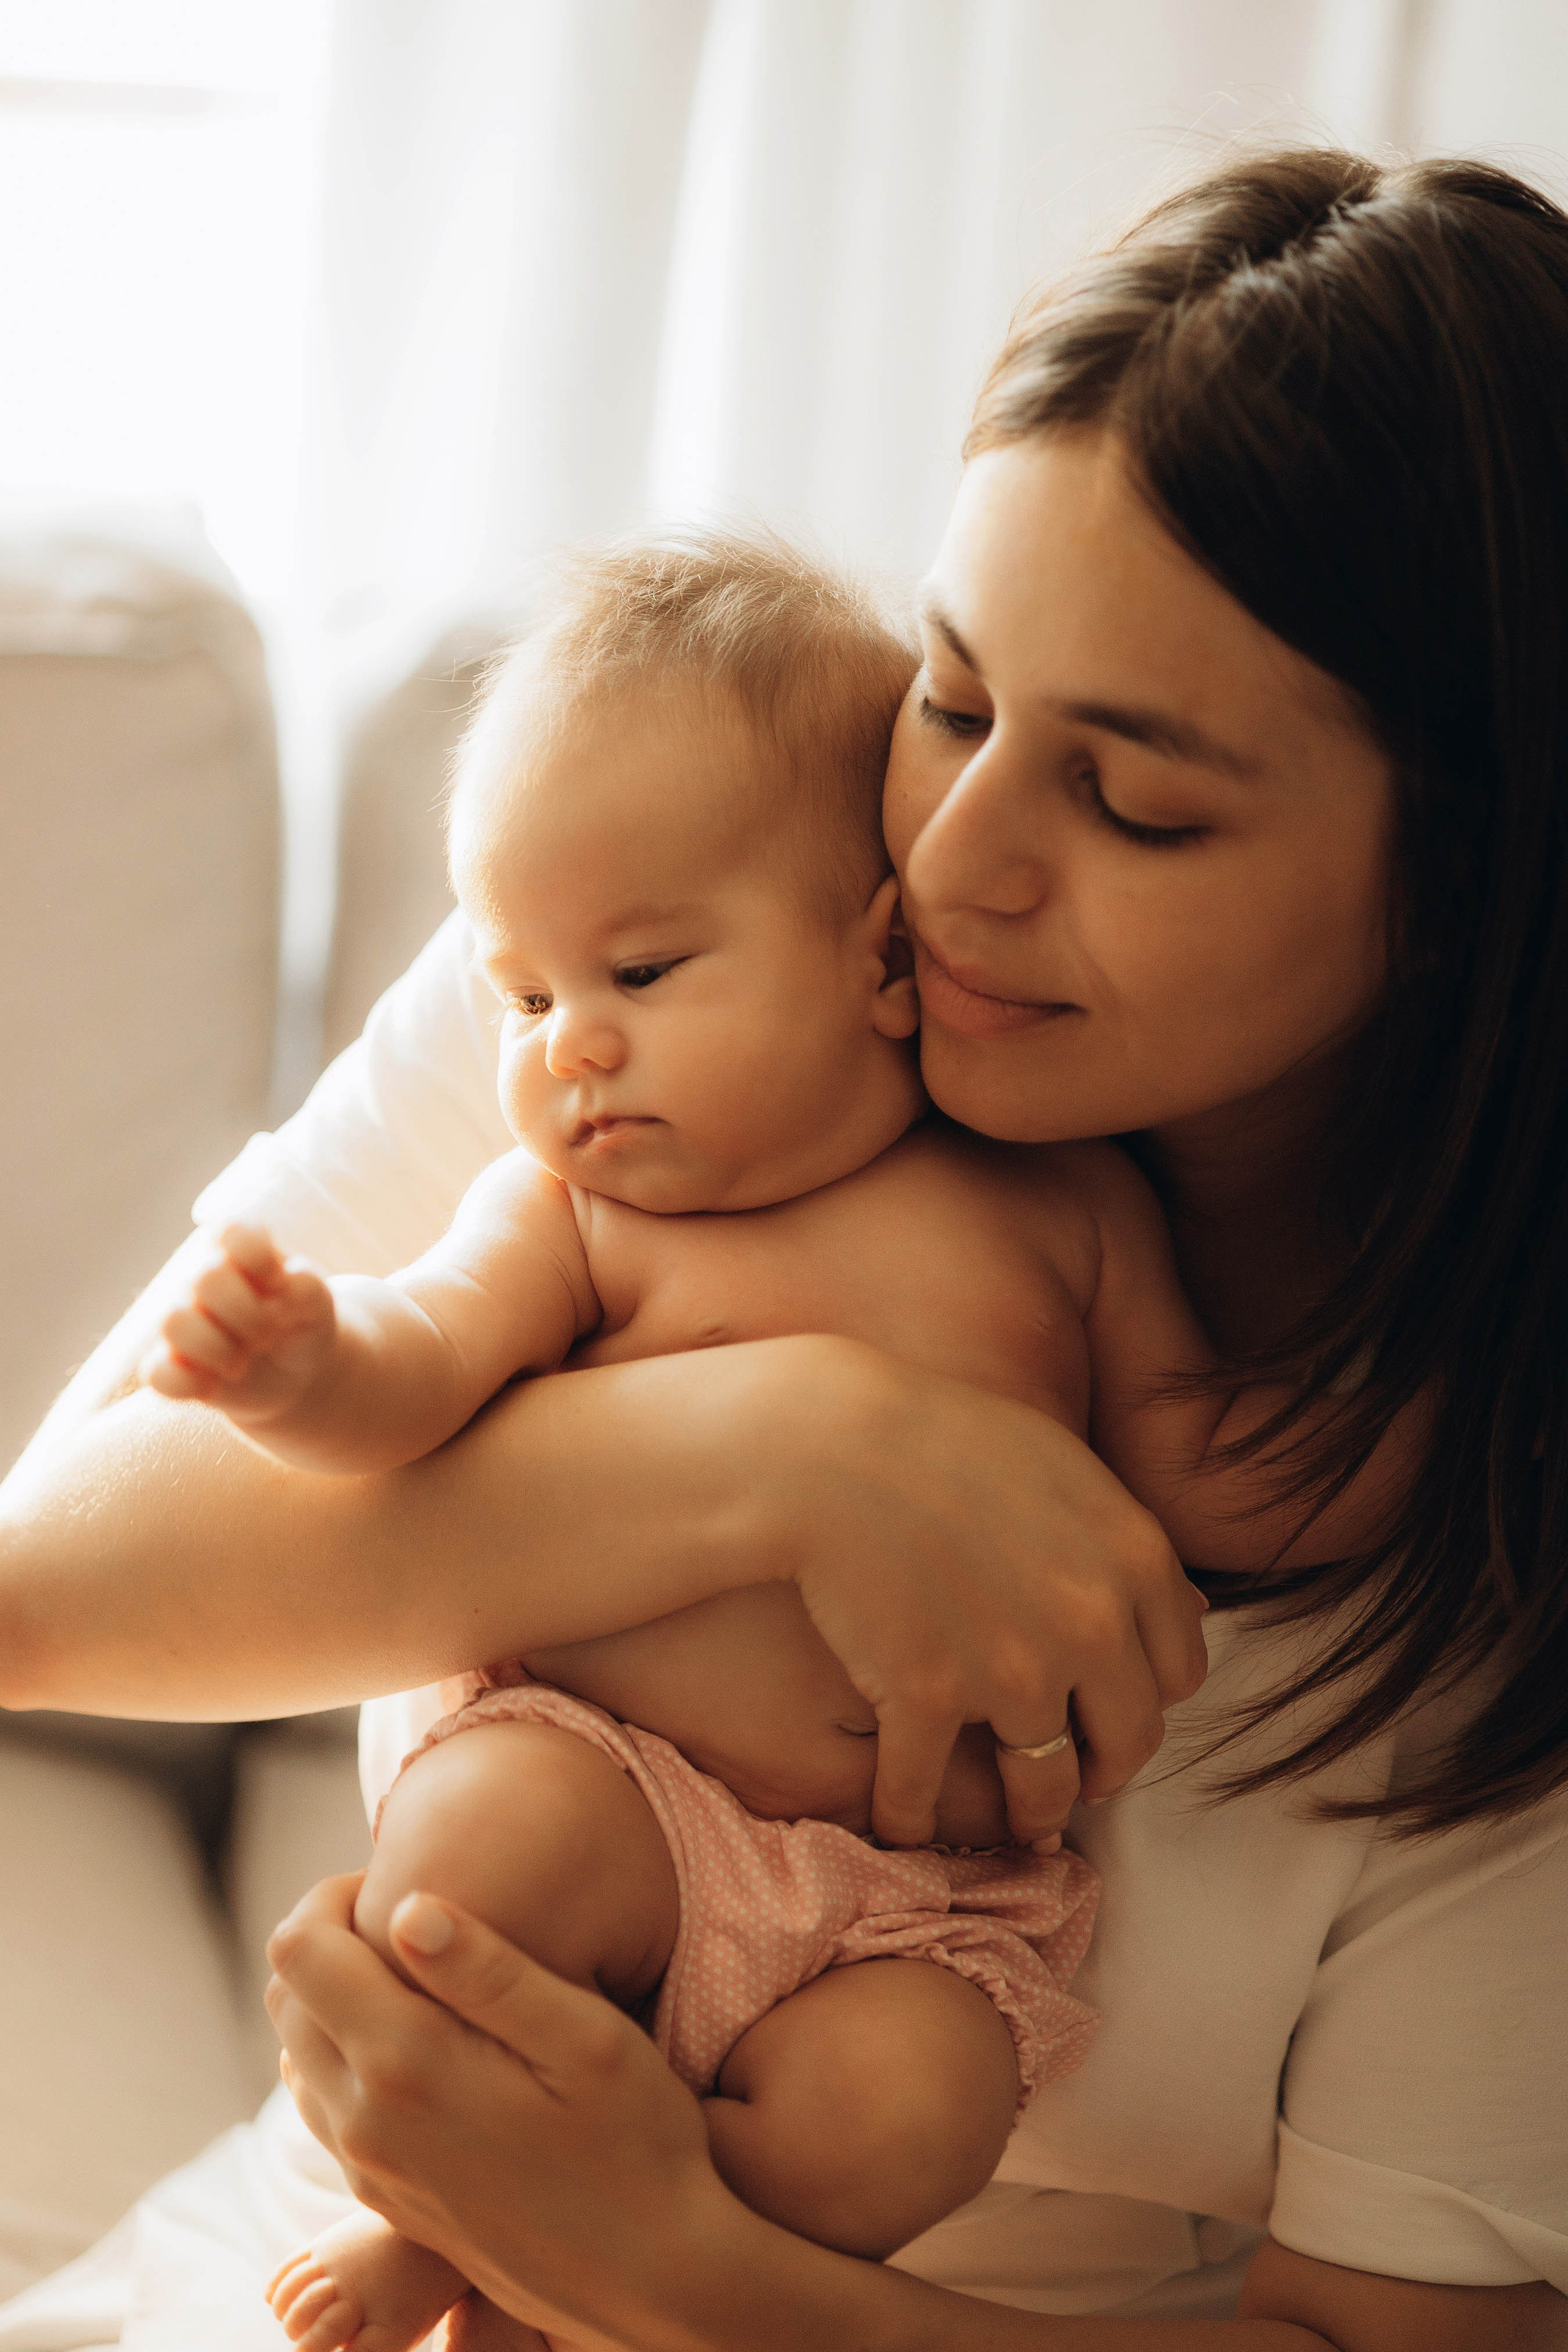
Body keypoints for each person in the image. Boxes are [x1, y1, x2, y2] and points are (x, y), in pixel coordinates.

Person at [2, 145, 1566, 2346]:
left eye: (1133, 803)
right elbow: (42, 1592)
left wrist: (664, 2270)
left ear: (1466, 902)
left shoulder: (1496, 1538)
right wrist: (796, 1452)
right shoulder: (667, 966)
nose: (958, 861)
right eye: (951, 691)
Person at [145, 535, 1407, 2352]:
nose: (568, 1048)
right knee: (470, 1871)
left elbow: (1210, 1476)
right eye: (520, 999)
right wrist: (291, 1365)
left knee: (913, 2117)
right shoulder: (573, 1217)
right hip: (615, 1786)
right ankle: (442, 2236)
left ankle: (586, 2274)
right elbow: (417, 1368)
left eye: (642, 973)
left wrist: (1417, 1443)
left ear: (884, 962)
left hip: (914, 1901)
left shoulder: (1065, 1212)